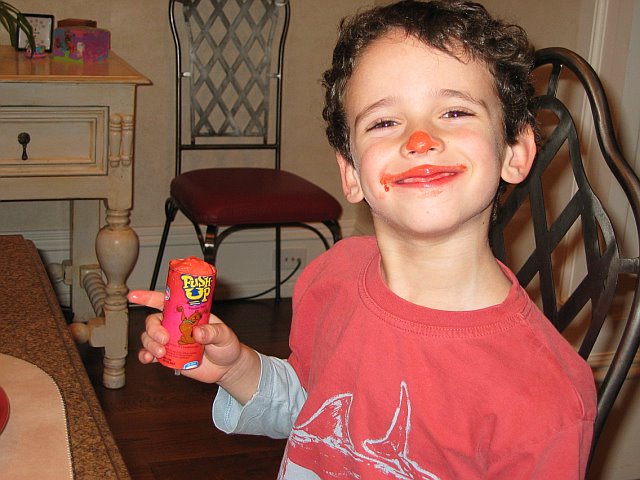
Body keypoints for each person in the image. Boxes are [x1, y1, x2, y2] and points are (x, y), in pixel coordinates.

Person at [130, 1, 597, 478]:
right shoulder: (332, 275)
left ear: (515, 152)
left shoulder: (546, 399)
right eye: (384, 122)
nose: (419, 139)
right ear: (351, 173)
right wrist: (238, 371)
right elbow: (316, 412)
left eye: (455, 111)